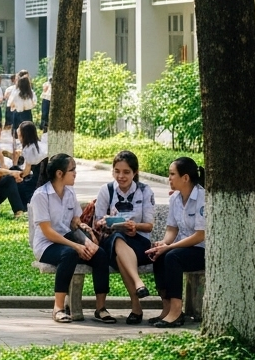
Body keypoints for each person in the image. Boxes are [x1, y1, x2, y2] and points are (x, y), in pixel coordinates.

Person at [29, 152, 115, 324]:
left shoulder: (69, 192)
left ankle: (101, 308)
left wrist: (85, 234)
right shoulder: (41, 195)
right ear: (60, 174)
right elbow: (48, 232)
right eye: (72, 170)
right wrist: (76, 246)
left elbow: (75, 220)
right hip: (46, 245)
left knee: (100, 254)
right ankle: (58, 308)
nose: (75, 173)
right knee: (69, 254)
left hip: (68, 237)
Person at [92, 150, 156, 324]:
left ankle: (137, 307)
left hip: (138, 243)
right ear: (112, 171)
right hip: (111, 241)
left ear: (134, 173)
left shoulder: (144, 191)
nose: (121, 176)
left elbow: (149, 226)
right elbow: (97, 222)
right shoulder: (106, 190)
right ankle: (138, 283)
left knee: (121, 254)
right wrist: (107, 221)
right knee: (117, 238)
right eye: (117, 171)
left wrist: (134, 226)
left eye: (126, 172)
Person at [146, 157, 206, 328]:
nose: (169, 178)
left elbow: (200, 235)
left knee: (172, 257)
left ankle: (176, 311)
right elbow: (172, 230)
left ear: (185, 177)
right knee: (158, 255)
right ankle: (166, 308)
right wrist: (162, 243)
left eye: (172, 174)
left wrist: (169, 247)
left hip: (201, 251)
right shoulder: (175, 199)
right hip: (182, 248)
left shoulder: (202, 198)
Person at [14, 121, 48, 206]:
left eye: (19, 135)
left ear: (23, 135)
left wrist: (15, 173)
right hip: (45, 178)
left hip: (35, 182)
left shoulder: (29, 149)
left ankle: (22, 206)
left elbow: (26, 172)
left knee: (14, 178)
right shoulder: (40, 145)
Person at [8, 74, 37, 143]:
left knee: (17, 132)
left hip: (17, 113)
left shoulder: (16, 92)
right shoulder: (31, 93)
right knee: (27, 131)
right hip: (27, 113)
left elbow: (10, 103)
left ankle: (17, 146)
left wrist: (15, 106)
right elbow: (34, 103)